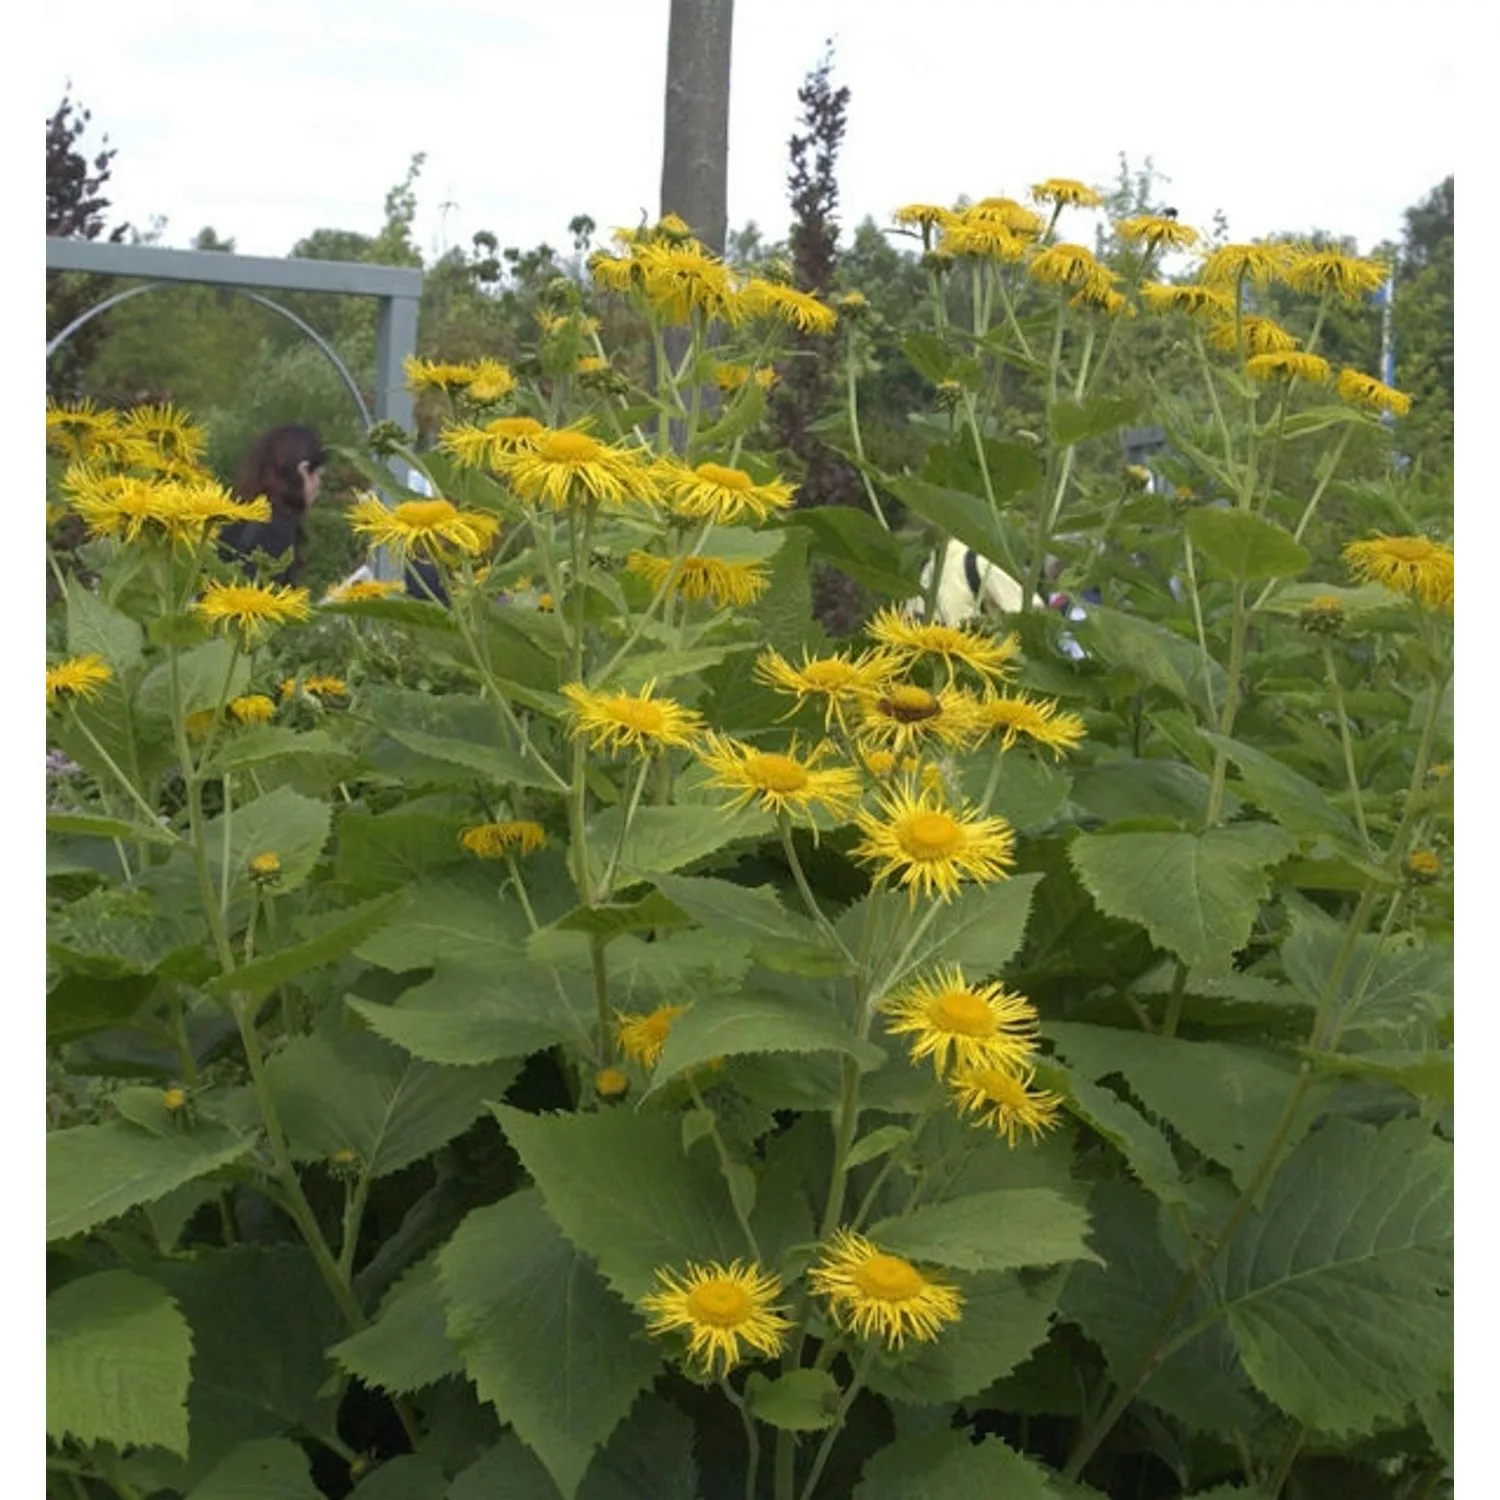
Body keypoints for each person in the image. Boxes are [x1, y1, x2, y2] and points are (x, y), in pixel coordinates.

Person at [218, 424, 327, 585]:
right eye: (318, 475)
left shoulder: (239, 515)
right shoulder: (277, 529)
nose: (319, 485)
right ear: (303, 471)